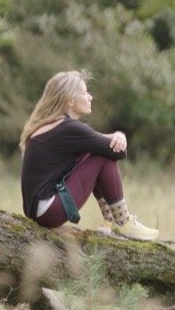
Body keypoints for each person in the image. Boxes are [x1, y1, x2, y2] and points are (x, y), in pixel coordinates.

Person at [19, 70, 159, 241]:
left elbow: (96, 141)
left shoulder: (54, 125)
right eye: (85, 93)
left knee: (94, 152)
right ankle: (123, 222)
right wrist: (118, 138)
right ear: (70, 100)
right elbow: (117, 151)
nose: (90, 97)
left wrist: (117, 136)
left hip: (40, 211)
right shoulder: (68, 128)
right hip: (50, 211)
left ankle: (110, 222)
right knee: (101, 156)